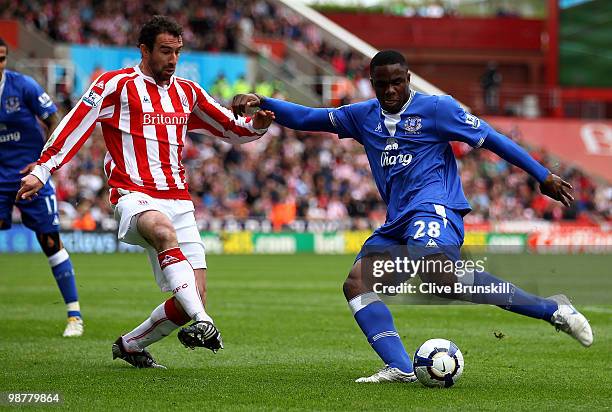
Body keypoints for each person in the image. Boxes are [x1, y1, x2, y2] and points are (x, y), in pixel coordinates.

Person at [231, 50, 593, 383]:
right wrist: (263, 102)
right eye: (381, 84)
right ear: (371, 83)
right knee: (358, 284)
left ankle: (553, 311)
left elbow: (492, 138)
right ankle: (401, 368)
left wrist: (541, 175)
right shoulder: (362, 116)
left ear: (408, 78)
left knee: (437, 270)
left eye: (396, 82)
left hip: (435, 207)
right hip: (398, 220)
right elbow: (308, 117)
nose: (389, 90)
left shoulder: (438, 109)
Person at [17, 16, 275, 368]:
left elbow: (231, 128)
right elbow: (75, 122)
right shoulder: (115, 85)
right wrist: (45, 169)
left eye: (178, 52)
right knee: (162, 233)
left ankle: (131, 345)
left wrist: (256, 126)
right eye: (165, 51)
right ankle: (206, 323)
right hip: (134, 194)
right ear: (144, 50)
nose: (172, 59)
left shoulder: (187, 93)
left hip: (179, 200)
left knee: (191, 298)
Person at [0, 37, 84, 337]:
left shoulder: (23, 86)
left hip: (30, 174)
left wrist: (41, 162)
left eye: (2, 58)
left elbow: (54, 121)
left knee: (50, 242)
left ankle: (74, 316)